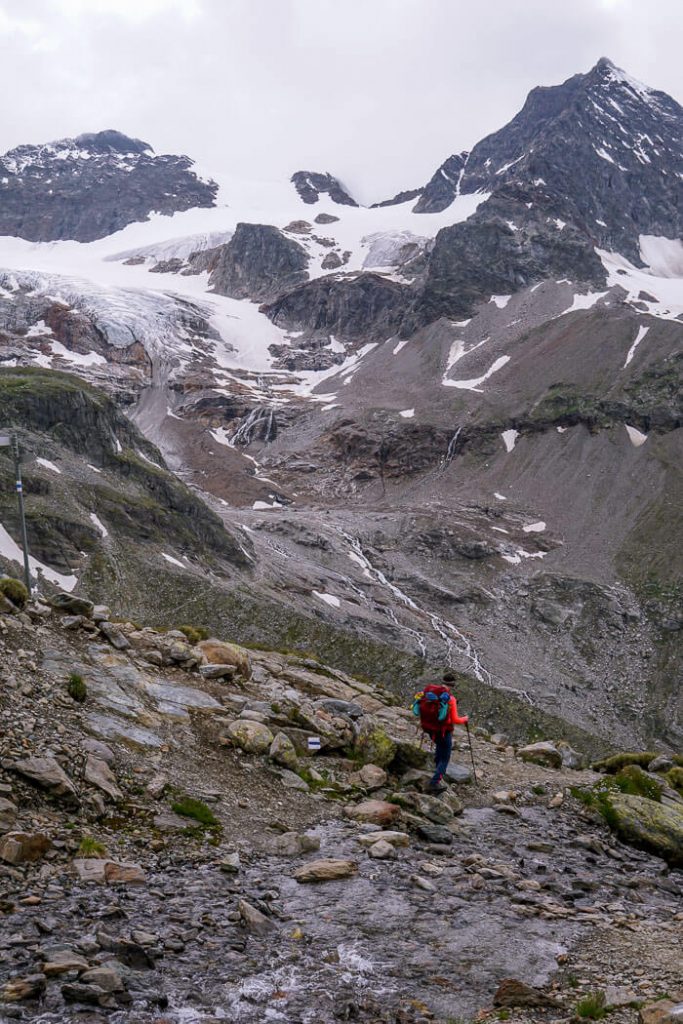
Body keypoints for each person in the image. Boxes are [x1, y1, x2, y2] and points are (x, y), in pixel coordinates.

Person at [412, 671, 469, 793]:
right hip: (444, 731)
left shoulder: (430, 693)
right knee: (445, 757)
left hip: (430, 728)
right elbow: (455, 719)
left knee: (439, 749)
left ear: (442, 682)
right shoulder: (450, 699)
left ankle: (436, 772)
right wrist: (465, 719)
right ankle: (434, 783)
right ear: (453, 685)